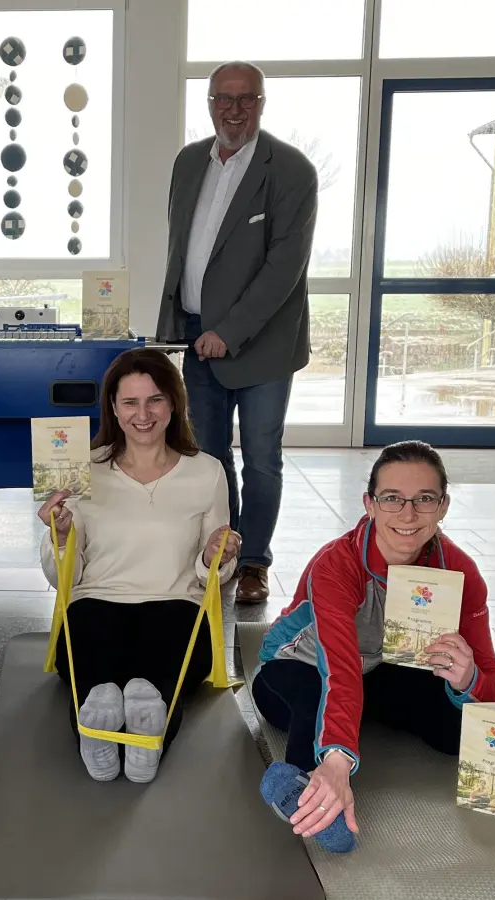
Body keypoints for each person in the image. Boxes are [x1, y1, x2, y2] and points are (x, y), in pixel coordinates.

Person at [251, 440, 495, 853]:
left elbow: (492, 680)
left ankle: (335, 749)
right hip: (298, 667)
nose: (408, 514)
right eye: (392, 499)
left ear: (443, 506)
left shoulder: (459, 570)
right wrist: (337, 763)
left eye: (424, 499)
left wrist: (467, 679)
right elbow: (340, 670)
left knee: (459, 733)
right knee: (317, 696)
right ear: (369, 504)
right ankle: (304, 784)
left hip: (379, 668)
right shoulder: (336, 564)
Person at [154, 60, 318, 604]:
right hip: (197, 339)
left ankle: (253, 563)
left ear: (262, 104)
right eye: (223, 99)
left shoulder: (290, 170)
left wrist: (230, 330)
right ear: (209, 103)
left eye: (246, 99)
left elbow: (284, 267)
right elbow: (182, 251)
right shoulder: (187, 162)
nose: (234, 110)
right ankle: (221, 551)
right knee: (211, 456)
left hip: (264, 344)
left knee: (262, 458)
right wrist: (173, 328)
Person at [36, 349, 239, 785]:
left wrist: (215, 556)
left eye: (155, 400)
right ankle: (98, 725)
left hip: (176, 601)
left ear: (174, 404)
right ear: (112, 407)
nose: (143, 414)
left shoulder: (207, 471)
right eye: (130, 402)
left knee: (165, 651)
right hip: (98, 599)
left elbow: (213, 577)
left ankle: (148, 730)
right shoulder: (81, 469)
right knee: (94, 640)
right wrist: (63, 535)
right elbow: (61, 578)